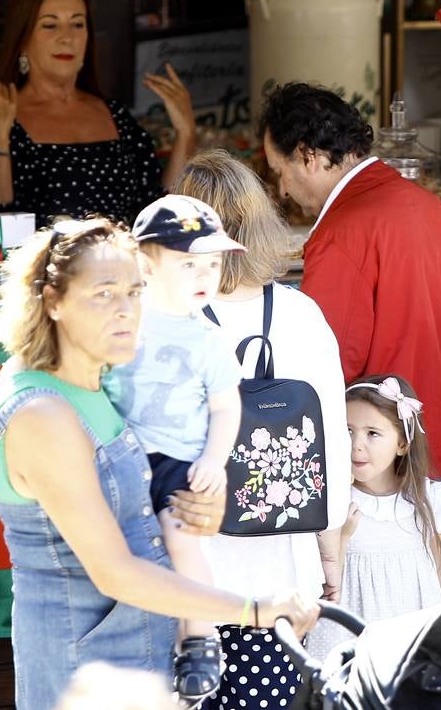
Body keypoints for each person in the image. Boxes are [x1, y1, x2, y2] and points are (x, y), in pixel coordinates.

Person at [0, 217, 317, 709]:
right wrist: (255, 610)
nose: (126, 311)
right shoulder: (41, 410)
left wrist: (204, 495)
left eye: (135, 292)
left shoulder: (99, 374)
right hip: (84, 668)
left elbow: (141, 490)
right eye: (104, 294)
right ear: (52, 302)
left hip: (147, 651)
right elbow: (113, 571)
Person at [176, 149, 352, 710]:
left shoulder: (167, 321)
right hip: (282, 577)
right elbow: (332, 450)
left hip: (189, 583)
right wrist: (329, 555)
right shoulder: (302, 316)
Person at [259, 82, 441, 485]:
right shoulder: (427, 205)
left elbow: (330, 360)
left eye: (279, 170)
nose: (282, 189)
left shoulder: (343, 231)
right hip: (435, 434)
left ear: (308, 155)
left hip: (380, 463)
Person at [106, 194, 246, 699]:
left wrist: (215, 459)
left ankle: (201, 636)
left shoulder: (207, 338)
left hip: (178, 462)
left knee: (180, 534)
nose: (204, 275)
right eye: (188, 264)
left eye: (211, 263)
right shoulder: (122, 321)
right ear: (145, 264)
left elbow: (226, 407)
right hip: (120, 455)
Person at [0, 0, 197, 227]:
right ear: (23, 40)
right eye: (50, 25)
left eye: (77, 24)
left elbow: (159, 213)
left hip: (123, 265)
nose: (67, 37)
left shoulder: (116, 115)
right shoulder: (2, 117)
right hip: (42, 267)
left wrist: (185, 132)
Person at [305, 375, 441, 662]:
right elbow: (324, 586)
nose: (356, 445)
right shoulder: (332, 501)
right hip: (351, 642)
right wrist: (342, 537)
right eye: (347, 431)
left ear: (402, 443)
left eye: (372, 433)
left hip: (414, 638)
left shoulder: (427, 499)